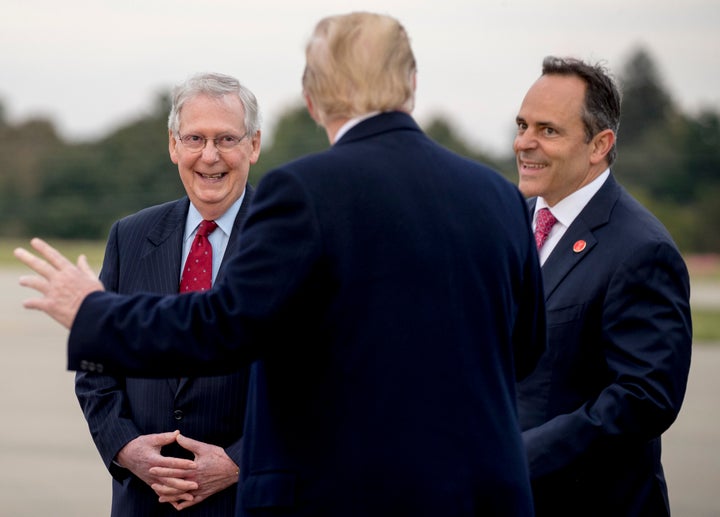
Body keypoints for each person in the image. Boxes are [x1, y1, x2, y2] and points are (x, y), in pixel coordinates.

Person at [16, 12, 545, 516]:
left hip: (349, 497)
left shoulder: (307, 192)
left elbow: (223, 325)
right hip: (484, 493)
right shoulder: (499, 197)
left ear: (313, 99)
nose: (210, 153)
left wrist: (93, 313)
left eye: (225, 138)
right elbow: (524, 350)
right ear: (410, 84)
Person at [74, 72, 262, 516]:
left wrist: (239, 462)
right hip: (143, 501)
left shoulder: (293, 241)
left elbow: (318, 384)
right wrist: (125, 448)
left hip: (246, 501)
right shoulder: (130, 236)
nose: (209, 156)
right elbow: (95, 366)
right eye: (195, 138)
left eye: (226, 139)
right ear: (173, 145)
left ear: (253, 145)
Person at [513, 56, 692, 516]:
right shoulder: (510, 219)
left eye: (547, 130)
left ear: (600, 145)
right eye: (522, 125)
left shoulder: (642, 249)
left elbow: (644, 397)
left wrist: (519, 455)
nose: (524, 143)